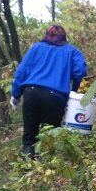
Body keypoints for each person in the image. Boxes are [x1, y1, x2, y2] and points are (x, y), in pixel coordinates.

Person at [10, 24, 87, 157]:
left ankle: (28, 163)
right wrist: (74, 95)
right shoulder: (72, 52)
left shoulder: (36, 48)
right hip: (55, 98)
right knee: (49, 139)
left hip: (31, 94)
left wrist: (15, 95)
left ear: (46, 36)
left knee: (29, 139)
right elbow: (80, 73)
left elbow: (21, 72)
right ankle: (46, 165)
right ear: (64, 38)